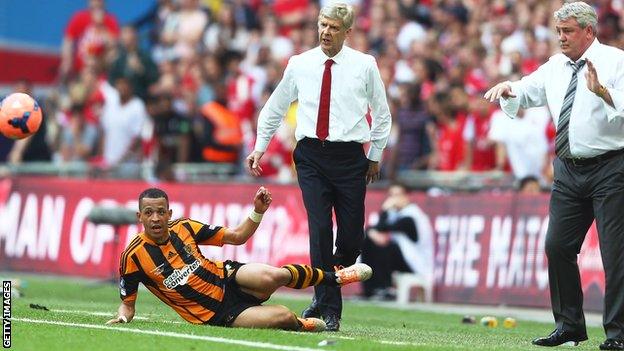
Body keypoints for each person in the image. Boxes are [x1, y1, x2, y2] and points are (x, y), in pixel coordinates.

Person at [484, 2, 624, 349]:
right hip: (568, 168)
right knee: (557, 246)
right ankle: (570, 325)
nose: (560, 38)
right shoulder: (555, 66)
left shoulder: (617, 62)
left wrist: (603, 92)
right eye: (558, 31)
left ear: (589, 31)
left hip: (612, 166)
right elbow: (528, 89)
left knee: (616, 253)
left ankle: (618, 333)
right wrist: (508, 87)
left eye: (568, 32)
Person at [245, 2, 391, 331]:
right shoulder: (300, 64)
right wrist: (259, 147)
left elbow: (381, 114)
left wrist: (375, 154)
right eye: (322, 25)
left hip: (351, 157)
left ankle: (326, 287)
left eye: (333, 27)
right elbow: (275, 107)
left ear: (348, 32)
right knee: (321, 230)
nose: (325, 31)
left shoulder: (365, 65)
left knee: (352, 237)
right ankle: (329, 307)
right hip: (310, 155)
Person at [106, 186, 372, 331]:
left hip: (227, 277)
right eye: (149, 213)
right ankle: (301, 325)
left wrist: (257, 211)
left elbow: (237, 236)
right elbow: (128, 304)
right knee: (282, 316)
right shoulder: (133, 256)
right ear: (139, 217)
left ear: (169, 213)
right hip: (217, 313)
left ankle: (334, 277)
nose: (155, 218)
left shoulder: (184, 227)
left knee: (275, 275)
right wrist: (123, 316)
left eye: (161, 212)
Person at [361, 183, 434, 300]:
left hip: (415, 263)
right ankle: (370, 290)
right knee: (369, 241)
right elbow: (377, 229)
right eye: (391, 195)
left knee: (385, 247)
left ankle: (386, 289)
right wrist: (371, 232)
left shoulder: (412, 215)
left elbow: (382, 227)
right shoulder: (397, 213)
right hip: (403, 259)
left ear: (407, 196)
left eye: (398, 195)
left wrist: (384, 210)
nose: (394, 199)